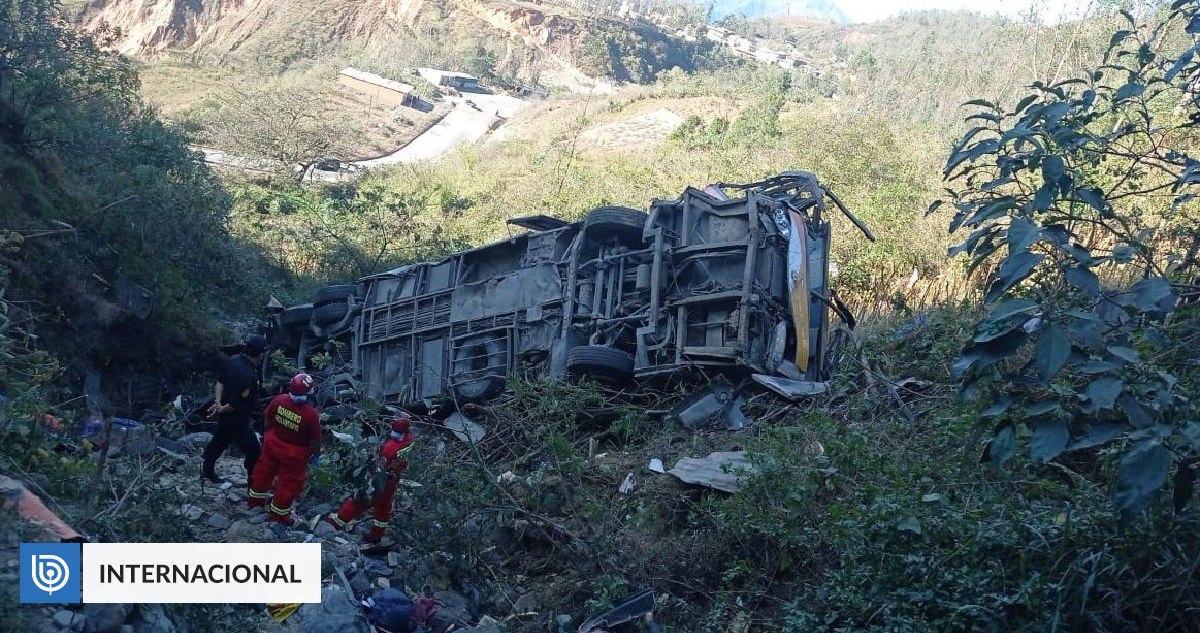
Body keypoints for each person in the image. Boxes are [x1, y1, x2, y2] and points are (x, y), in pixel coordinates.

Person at [248, 373, 322, 526]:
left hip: (273, 445)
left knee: (263, 473)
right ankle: (278, 516)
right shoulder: (311, 415)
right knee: (289, 484)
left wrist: (268, 435)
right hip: (294, 454)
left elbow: (268, 417)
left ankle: (255, 502)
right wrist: (316, 455)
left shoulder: (280, 400)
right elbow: (315, 440)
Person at [326, 414, 414, 543]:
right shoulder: (409, 441)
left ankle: (335, 523)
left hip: (381, 478)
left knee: (359, 500)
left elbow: (379, 462)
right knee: (383, 508)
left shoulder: (390, 448)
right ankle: (376, 535)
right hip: (392, 480)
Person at [201, 334, 267, 484]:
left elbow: (220, 382)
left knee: (219, 442)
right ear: (261, 354)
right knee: (254, 451)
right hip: (238, 418)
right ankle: (253, 483)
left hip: (227, 415)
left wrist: (218, 402)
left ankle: (207, 470)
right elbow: (236, 404)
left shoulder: (234, 360)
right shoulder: (248, 376)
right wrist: (221, 408)